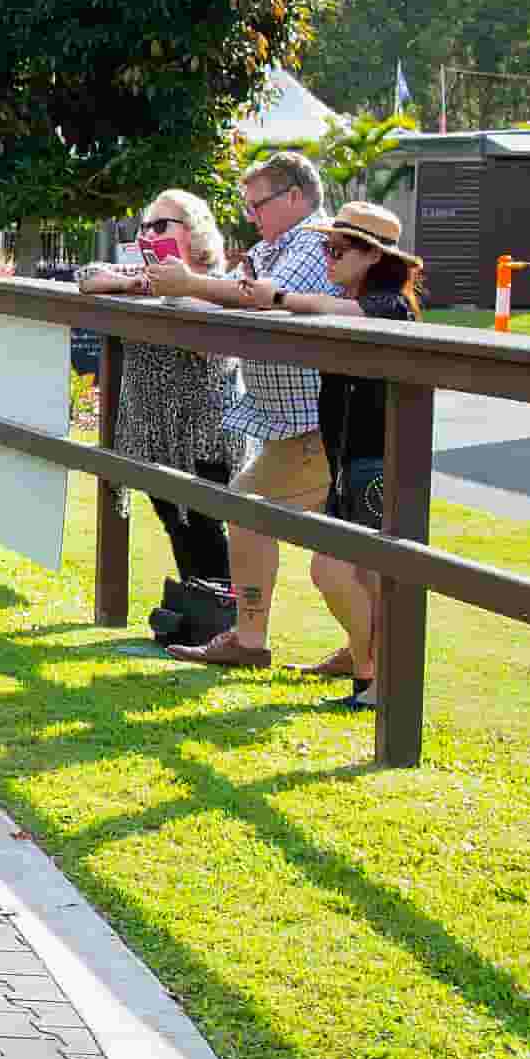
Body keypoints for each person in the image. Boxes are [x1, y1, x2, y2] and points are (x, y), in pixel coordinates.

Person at [141, 152, 336, 667]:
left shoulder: (314, 243)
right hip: (289, 425)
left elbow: (259, 299)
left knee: (340, 558)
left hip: (319, 423)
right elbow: (239, 293)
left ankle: (366, 658)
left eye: (257, 205)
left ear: (294, 197)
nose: (250, 217)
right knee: (319, 544)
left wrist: (188, 285)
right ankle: (256, 639)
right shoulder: (275, 247)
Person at [274, 202, 428, 710]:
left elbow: (327, 310)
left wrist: (276, 296)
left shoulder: (391, 307)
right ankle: (371, 677)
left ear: (373, 256)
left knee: (337, 571)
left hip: (379, 464)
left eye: (338, 250)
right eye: (326, 248)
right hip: (349, 463)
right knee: (356, 573)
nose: (328, 257)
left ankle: (375, 677)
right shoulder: (356, 302)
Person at [74, 188, 244, 644]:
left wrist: (179, 290)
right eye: (144, 226)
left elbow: (215, 351)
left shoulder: (217, 283)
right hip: (153, 430)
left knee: (206, 525)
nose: (149, 234)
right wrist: (138, 284)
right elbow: (86, 276)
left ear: (194, 231)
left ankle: (228, 626)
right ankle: (201, 619)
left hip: (204, 429)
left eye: (161, 225)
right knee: (175, 523)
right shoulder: (143, 278)